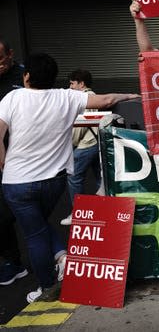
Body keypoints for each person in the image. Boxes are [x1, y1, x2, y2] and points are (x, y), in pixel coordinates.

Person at [0, 53, 139, 303]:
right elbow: (106, 100)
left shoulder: (13, 97)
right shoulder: (67, 96)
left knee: (34, 234)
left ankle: (46, 287)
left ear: (27, 76)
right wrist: (128, 96)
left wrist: (2, 161)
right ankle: (62, 257)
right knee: (40, 225)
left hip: (17, 182)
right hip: (54, 181)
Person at [0, 38, 28, 286]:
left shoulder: (24, 77)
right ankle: (11, 261)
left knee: (29, 208)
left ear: (10, 54)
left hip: (23, 153)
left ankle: (50, 257)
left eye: (0, 58)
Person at [59, 69, 101, 226]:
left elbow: (80, 127)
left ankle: (79, 213)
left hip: (86, 144)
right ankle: (105, 210)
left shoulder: (84, 98)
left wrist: (71, 144)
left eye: (72, 83)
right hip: (97, 142)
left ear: (81, 84)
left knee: (73, 176)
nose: (69, 87)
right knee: (100, 178)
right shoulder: (94, 96)